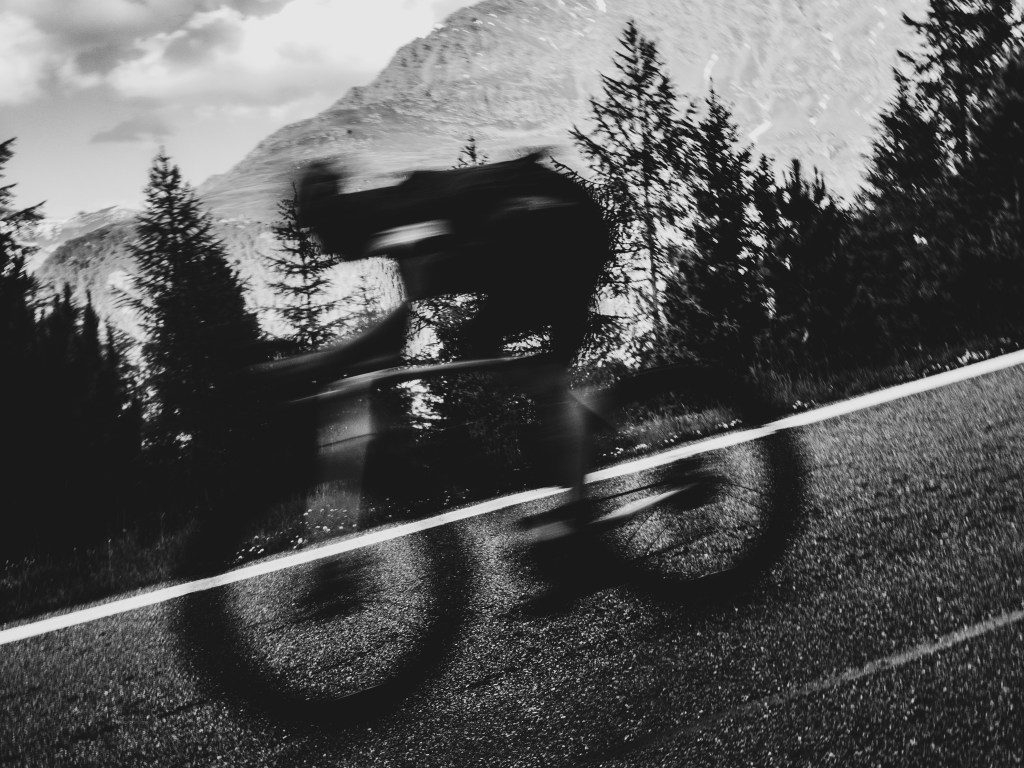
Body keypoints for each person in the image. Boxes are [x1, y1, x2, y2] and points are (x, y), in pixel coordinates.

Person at [267, 152, 611, 543]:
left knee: (499, 349)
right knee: (490, 344)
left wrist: (316, 366)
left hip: (558, 230)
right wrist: (330, 366)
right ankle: (573, 430)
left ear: (336, 221)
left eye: (317, 232)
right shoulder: (393, 215)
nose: (321, 248)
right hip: (543, 228)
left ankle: (572, 457)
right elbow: (397, 337)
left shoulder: (400, 221)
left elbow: (397, 333)